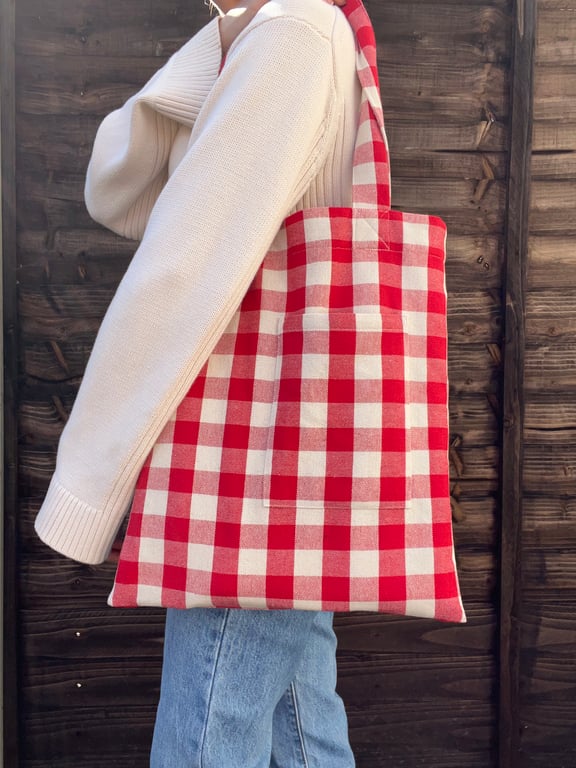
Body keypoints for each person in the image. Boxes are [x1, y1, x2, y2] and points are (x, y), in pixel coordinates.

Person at [35, 0, 363, 764]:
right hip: (292, 463)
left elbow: (180, 273)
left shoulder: (294, 33)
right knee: (303, 728)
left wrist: (85, 486)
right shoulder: (292, 31)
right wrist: (217, 44)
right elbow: (118, 189)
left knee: (207, 741)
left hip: (250, 468)